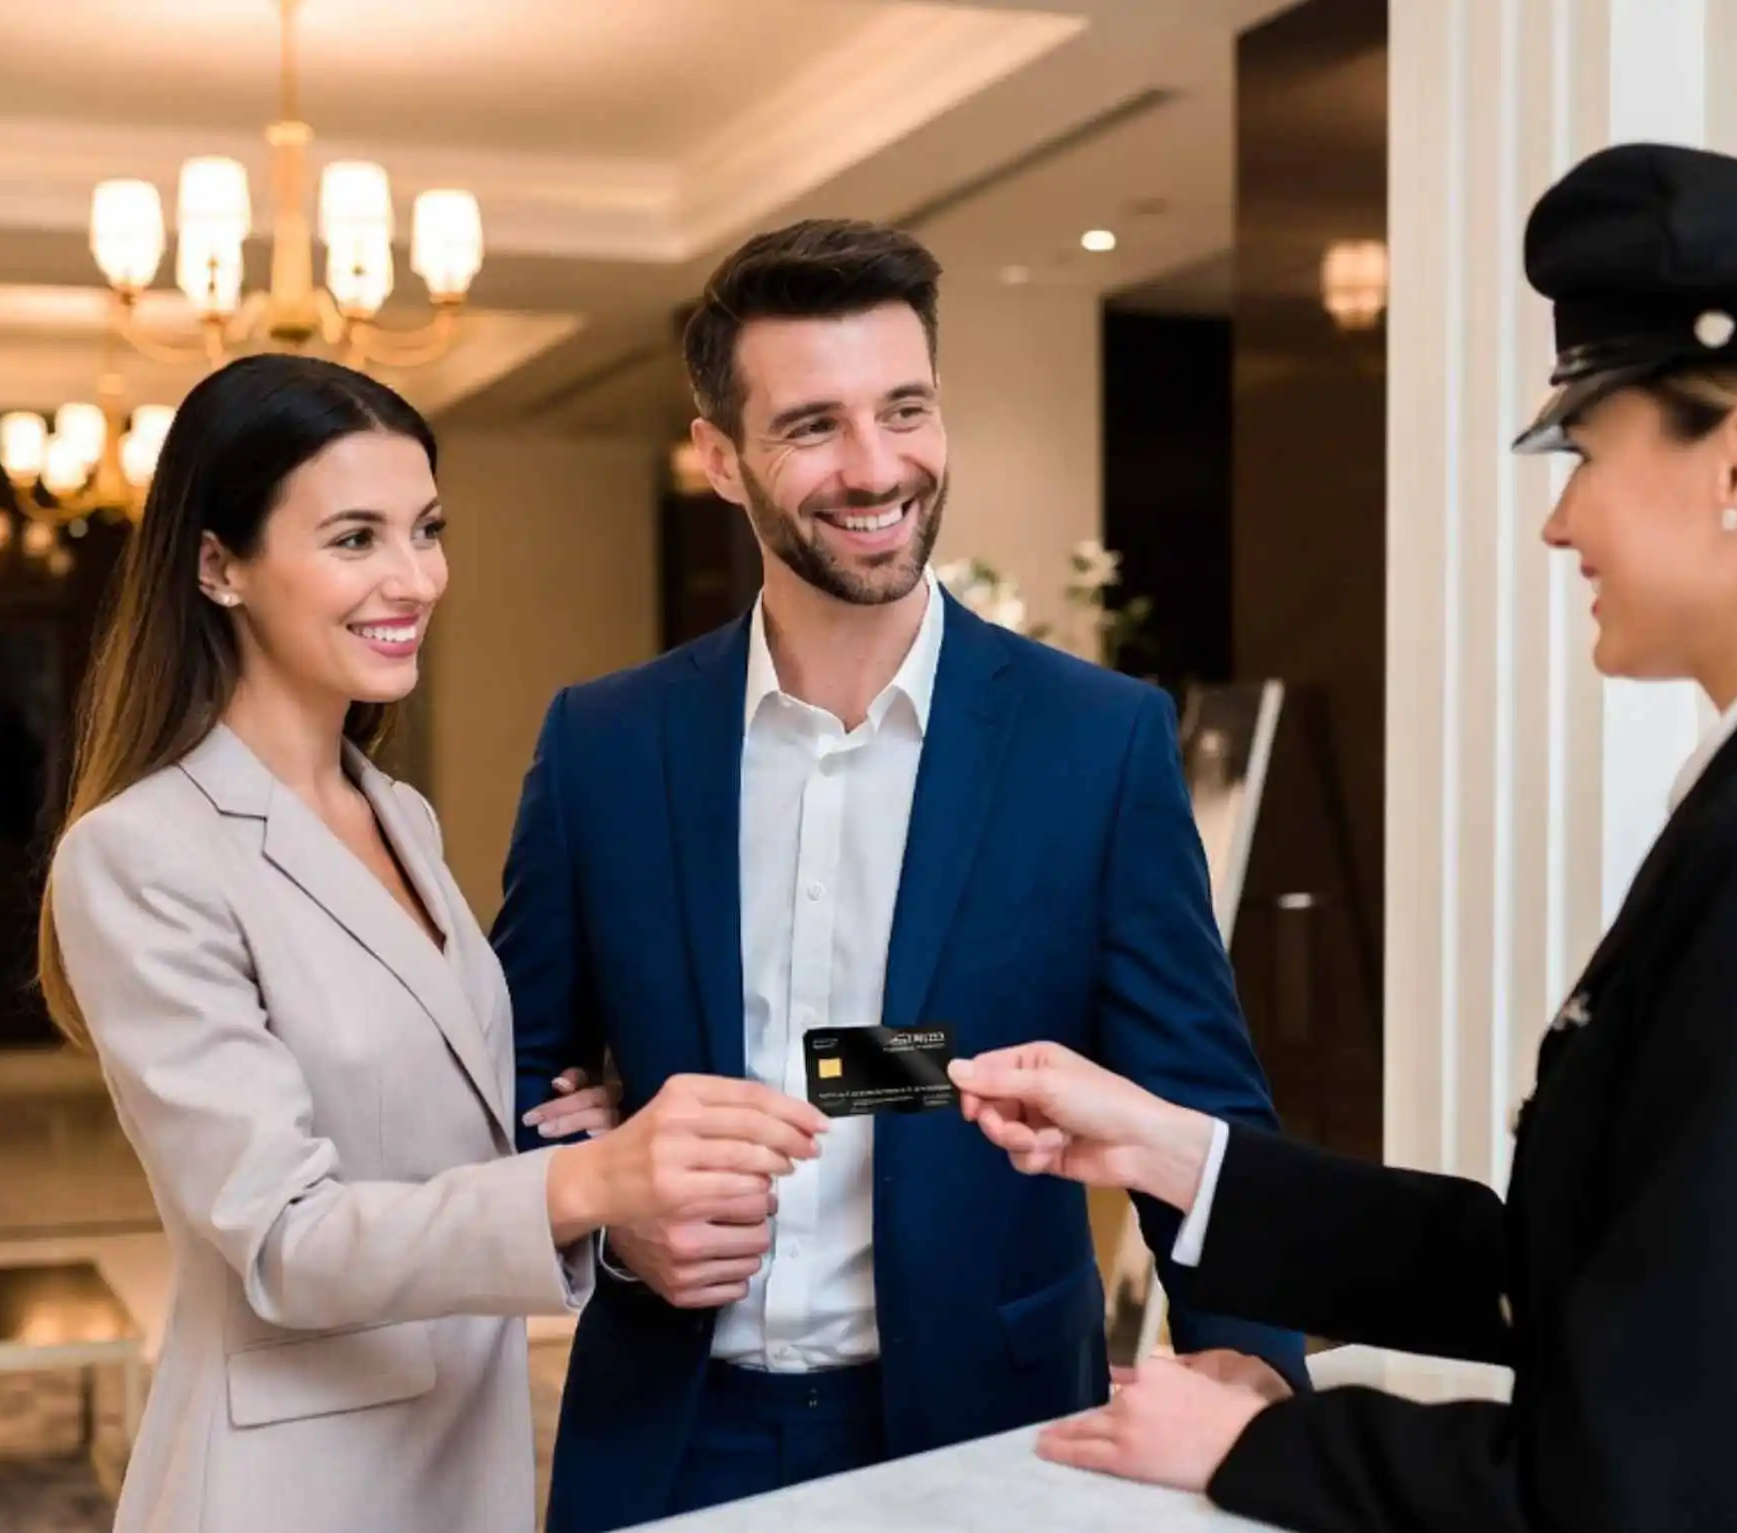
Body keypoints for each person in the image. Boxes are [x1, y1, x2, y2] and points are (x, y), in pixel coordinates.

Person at [945, 143, 1737, 1533]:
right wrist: (1172, 1150)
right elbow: (1594, 1271)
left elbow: (1638, 1488)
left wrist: (1245, 1445)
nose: (1561, 522)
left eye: (1585, 452)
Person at [496, 218, 1305, 1531]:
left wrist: (1250, 1358)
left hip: (992, 1430)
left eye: (906, 409)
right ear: (719, 457)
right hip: (671, 1432)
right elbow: (512, 1066)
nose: (876, 467)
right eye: (812, 425)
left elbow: (1197, 1092)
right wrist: (602, 1208)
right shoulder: (603, 743)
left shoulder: (1093, 741)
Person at [38, 354, 830, 1533]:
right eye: (354, 538)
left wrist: (584, 1130)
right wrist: (584, 1181)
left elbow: (441, 1124)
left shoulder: (395, 815)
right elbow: (285, 1242)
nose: (412, 578)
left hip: (464, 1456)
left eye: (427, 529)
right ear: (220, 565)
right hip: (287, 1488)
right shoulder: (141, 852)